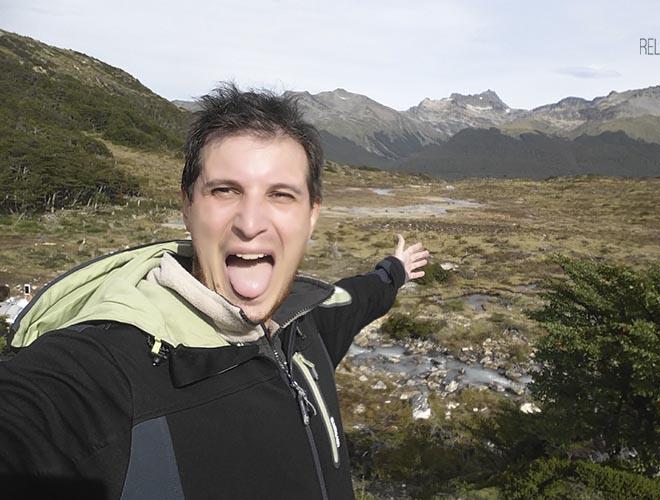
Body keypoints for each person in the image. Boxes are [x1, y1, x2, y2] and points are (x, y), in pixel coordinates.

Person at [0, 84, 429, 499]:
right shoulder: (107, 367)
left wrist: (394, 272)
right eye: (225, 190)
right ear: (187, 206)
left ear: (312, 215)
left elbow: (356, 299)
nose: (250, 223)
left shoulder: (305, 322)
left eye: (281, 195)